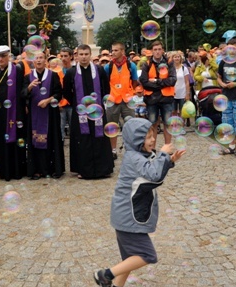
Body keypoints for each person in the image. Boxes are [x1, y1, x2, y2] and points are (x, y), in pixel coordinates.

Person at [93, 118, 185, 287]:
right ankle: (105, 274)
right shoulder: (134, 158)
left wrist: (169, 162)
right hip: (129, 217)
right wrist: (164, 154)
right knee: (147, 255)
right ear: (137, 140)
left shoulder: (136, 155)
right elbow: (154, 175)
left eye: (153, 136)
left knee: (128, 259)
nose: (153, 140)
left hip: (125, 215)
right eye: (148, 137)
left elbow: (151, 177)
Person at [63, 44, 114, 179]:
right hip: (80, 112)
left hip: (97, 111)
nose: (84, 57)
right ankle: (83, 169)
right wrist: (76, 103)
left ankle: (103, 168)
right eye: (81, 54)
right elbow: (67, 92)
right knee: (82, 140)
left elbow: (106, 89)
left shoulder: (99, 70)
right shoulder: (71, 73)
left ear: (90, 55)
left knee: (99, 138)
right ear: (77, 56)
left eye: (86, 54)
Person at [0, 45, 26, 181]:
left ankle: (14, 171)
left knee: (12, 141)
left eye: (3, 56)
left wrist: (21, 112)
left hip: (12, 113)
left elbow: (21, 92)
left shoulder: (17, 70)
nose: (1, 59)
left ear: (9, 56)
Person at [22, 50, 64, 179]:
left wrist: (48, 100)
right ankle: (36, 170)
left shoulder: (53, 75)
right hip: (33, 114)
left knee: (51, 139)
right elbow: (22, 95)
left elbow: (59, 93)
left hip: (50, 114)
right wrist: (29, 87)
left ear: (45, 61)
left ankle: (52, 169)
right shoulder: (28, 77)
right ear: (33, 61)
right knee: (34, 141)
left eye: (41, 58)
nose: (39, 60)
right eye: (36, 58)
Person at [104, 42, 139, 160]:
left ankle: (131, 149)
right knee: (111, 126)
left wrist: (130, 92)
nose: (113, 52)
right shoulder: (108, 67)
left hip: (127, 99)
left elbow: (135, 81)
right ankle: (113, 150)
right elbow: (105, 83)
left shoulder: (131, 65)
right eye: (112, 50)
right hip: (113, 100)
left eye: (115, 50)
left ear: (122, 51)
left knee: (130, 125)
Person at [139, 41, 176, 144]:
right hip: (152, 99)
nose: (157, 52)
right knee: (152, 124)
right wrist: (162, 84)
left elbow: (173, 80)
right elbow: (144, 82)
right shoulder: (147, 63)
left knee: (167, 124)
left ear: (162, 50)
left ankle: (168, 147)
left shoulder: (169, 62)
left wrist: (156, 81)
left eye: (159, 49)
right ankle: (152, 148)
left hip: (167, 98)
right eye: (155, 50)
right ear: (151, 51)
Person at [57, 47, 74, 142]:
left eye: (66, 56)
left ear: (71, 57)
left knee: (74, 127)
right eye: (62, 56)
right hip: (61, 104)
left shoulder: (75, 71)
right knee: (60, 127)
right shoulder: (57, 71)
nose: (63, 58)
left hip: (72, 104)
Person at [171, 51, 191, 117]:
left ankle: (181, 125)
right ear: (172, 58)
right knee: (173, 111)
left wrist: (187, 93)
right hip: (172, 93)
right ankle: (174, 124)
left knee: (182, 111)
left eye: (178, 57)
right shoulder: (170, 69)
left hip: (182, 93)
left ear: (180, 58)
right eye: (175, 57)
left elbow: (187, 82)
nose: (177, 58)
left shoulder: (184, 68)